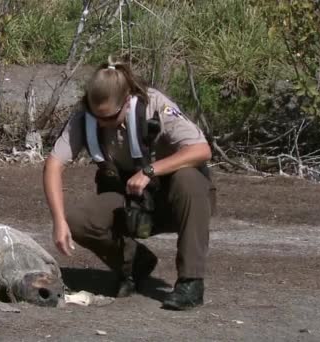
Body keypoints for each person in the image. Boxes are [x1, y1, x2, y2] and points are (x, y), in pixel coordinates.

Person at [42, 57, 216, 311]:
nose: (101, 123)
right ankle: (134, 265)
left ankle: (191, 281)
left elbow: (202, 150)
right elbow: (53, 165)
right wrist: (58, 221)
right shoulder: (85, 117)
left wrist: (150, 170)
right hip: (132, 201)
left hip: (175, 200)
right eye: (95, 115)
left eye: (109, 118)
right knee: (77, 219)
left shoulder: (155, 105)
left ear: (126, 101)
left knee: (189, 179)